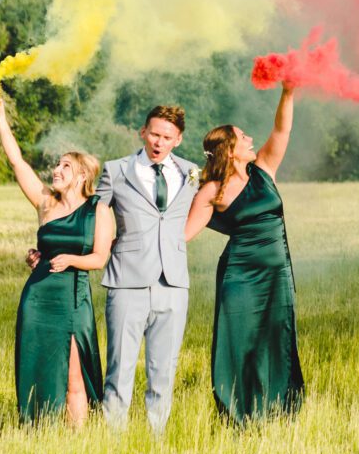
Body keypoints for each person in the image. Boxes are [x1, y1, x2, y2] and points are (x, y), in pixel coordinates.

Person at [184, 82, 304, 424]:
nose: (251, 138)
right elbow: (184, 236)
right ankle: (239, 412)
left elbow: (283, 128)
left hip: (277, 273)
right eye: (242, 136)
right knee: (239, 341)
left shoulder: (263, 168)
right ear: (230, 149)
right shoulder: (210, 190)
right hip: (240, 275)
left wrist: (289, 92)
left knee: (276, 337)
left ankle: (279, 410)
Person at [0, 93, 111, 425]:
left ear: (83, 174)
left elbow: (100, 258)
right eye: (57, 165)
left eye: (65, 166)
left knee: (73, 373)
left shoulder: (99, 209)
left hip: (72, 299)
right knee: (37, 363)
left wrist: (70, 259)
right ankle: (37, 426)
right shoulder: (46, 203)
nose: (56, 170)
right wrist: (0, 118)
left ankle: (77, 439)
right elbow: (17, 163)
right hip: (38, 297)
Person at [95, 103, 197, 434]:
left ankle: (157, 439)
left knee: (164, 368)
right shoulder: (116, 170)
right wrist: (51, 248)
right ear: (143, 132)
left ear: (178, 139)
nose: (159, 142)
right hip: (127, 281)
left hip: (174, 283)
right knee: (120, 366)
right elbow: (88, 220)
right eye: (154, 133)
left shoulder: (192, 173)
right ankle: (114, 440)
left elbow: (213, 206)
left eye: (167, 136)